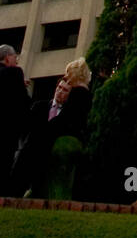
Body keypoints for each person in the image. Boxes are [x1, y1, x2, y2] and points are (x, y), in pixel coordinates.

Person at [9, 58, 92, 200]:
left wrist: (45, 130)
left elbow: (66, 120)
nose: (66, 78)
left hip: (61, 137)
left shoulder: (79, 93)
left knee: (30, 153)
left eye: (68, 74)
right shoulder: (81, 92)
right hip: (56, 135)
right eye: (59, 87)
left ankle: (15, 191)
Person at [0, 45, 30, 194]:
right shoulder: (15, 73)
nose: (16, 61)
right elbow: (22, 101)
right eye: (15, 58)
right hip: (8, 129)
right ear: (7, 58)